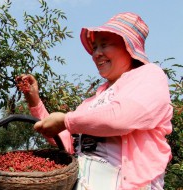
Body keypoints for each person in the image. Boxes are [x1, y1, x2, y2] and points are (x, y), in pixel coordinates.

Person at [16, 12, 172, 190]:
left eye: (104, 45)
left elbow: (121, 117)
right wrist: (35, 101)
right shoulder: (93, 101)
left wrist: (67, 120)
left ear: (128, 47)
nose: (96, 54)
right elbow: (67, 142)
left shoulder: (149, 75)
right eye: (95, 47)